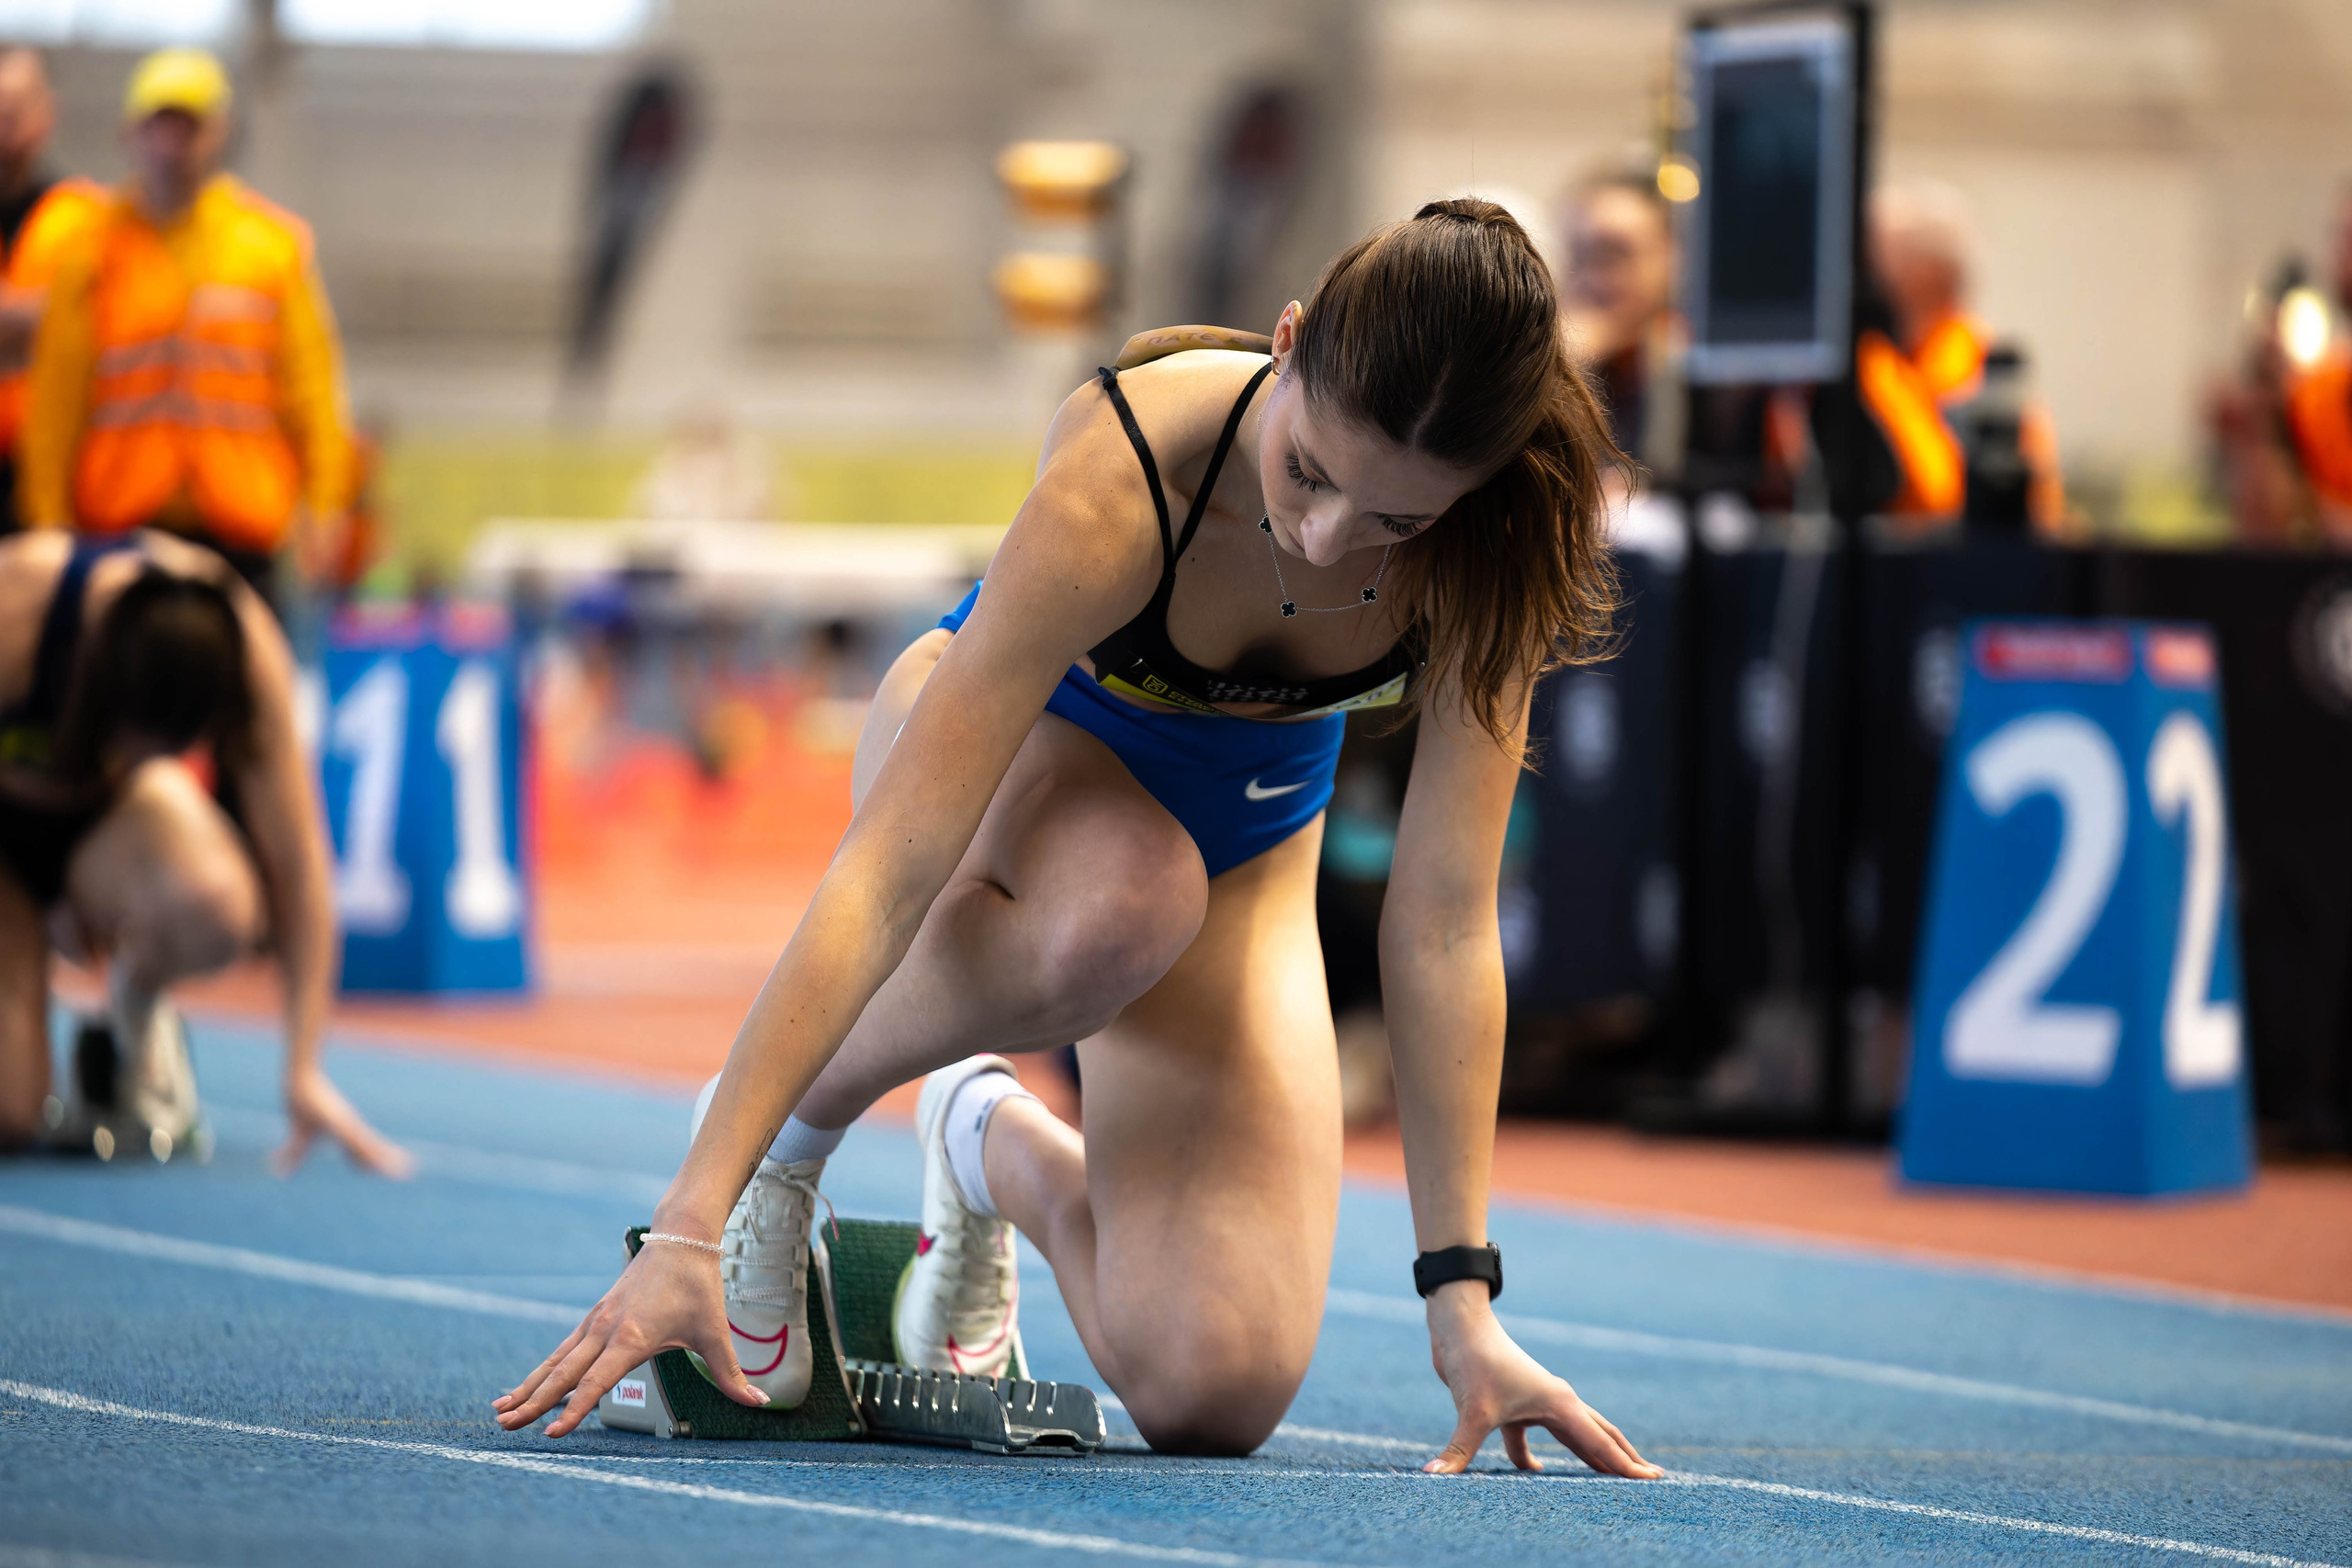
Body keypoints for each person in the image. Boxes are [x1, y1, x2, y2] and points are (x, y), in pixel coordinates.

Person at [495, 199, 1664, 1478]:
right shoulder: (1128, 471)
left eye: (1395, 521)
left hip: (1247, 857)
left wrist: (1463, 1306)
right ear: (1286, 345)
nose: (1326, 538)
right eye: (1311, 474)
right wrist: (698, 1207)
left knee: (1214, 1382)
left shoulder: (1501, 552)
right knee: (1126, 895)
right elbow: (889, 870)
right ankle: (791, 1135)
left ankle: (993, 1143)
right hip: (999, 779)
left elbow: (1442, 918)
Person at [0, 525, 409, 1173]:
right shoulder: (18, 610)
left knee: (214, 900)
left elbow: (301, 868)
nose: (139, 758)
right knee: (9, 1115)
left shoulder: (247, 652)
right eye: (135, 742)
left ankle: (132, 1015)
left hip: (101, 828)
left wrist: (302, 1067)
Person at [17, 48, 354, 597]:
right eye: (159, 126)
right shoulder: (91, 253)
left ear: (220, 133)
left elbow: (314, 389)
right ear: (130, 134)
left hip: (242, 528)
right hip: (120, 530)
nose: (172, 145)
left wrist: (325, 506)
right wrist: (48, 522)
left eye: (189, 127)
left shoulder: (271, 249)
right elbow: (56, 399)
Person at [1863, 179, 2064, 532]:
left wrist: (1870, 368)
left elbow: (1939, 498)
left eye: (1880, 255)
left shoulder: (1974, 365)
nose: (1867, 273)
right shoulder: (1905, 355)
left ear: (1929, 273)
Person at [0, 48, 107, 526]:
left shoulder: (90, 220)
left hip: (59, 473)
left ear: (48, 112)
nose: (7, 118)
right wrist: (43, 319)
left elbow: (105, 327)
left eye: (19, 104)